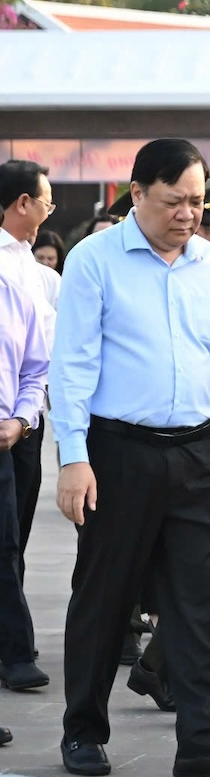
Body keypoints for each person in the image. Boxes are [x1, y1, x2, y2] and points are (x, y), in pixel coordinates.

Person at [49, 138, 210, 777]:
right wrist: (73, 456)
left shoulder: (209, 263)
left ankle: (204, 740)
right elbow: (73, 366)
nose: (187, 213)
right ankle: (84, 731)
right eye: (173, 201)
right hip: (119, 453)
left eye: (198, 201)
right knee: (106, 595)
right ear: (137, 192)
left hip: (200, 453)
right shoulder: (94, 260)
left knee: (203, 605)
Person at [0, 160, 59, 575]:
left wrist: (23, 418)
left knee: (13, 539)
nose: (48, 213)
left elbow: (41, 356)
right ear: (23, 203)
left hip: (23, 423)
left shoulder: (33, 270)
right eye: (46, 204)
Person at [0, 266, 48, 699]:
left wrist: (19, 420)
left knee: (6, 547)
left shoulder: (14, 288)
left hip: (3, 441)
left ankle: (15, 655)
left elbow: (36, 369)